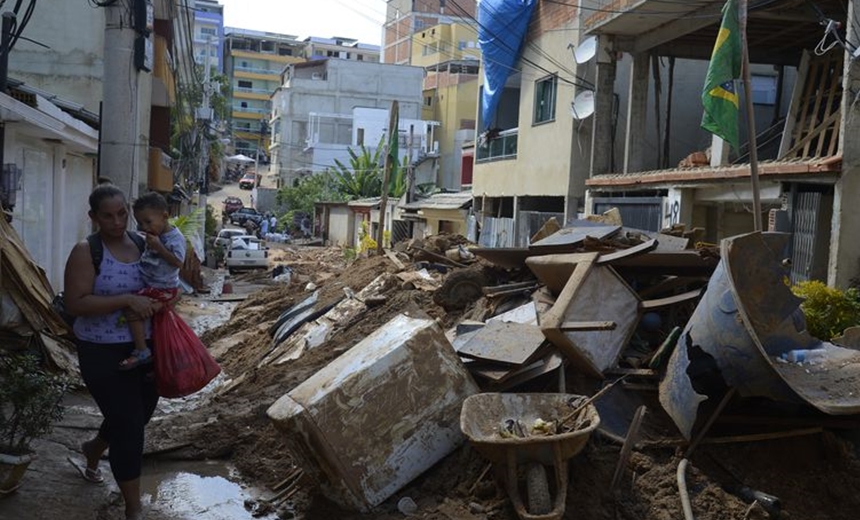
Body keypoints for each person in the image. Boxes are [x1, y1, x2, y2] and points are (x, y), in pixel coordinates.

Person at [64, 184, 164, 520]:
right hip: (101, 351)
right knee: (130, 425)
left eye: (122, 213)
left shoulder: (140, 242)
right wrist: (126, 300)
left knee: (142, 412)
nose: (117, 221)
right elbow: (76, 303)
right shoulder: (86, 251)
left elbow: (162, 278)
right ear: (93, 218)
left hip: (144, 348)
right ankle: (133, 508)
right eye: (108, 216)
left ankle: (94, 448)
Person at [119, 192, 186, 370]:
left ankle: (142, 351)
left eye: (148, 222)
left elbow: (178, 262)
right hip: (153, 286)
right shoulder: (151, 236)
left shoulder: (174, 238)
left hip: (163, 288)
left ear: (165, 216)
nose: (144, 226)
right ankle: (156, 361)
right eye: (140, 222)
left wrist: (159, 247)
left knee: (132, 311)